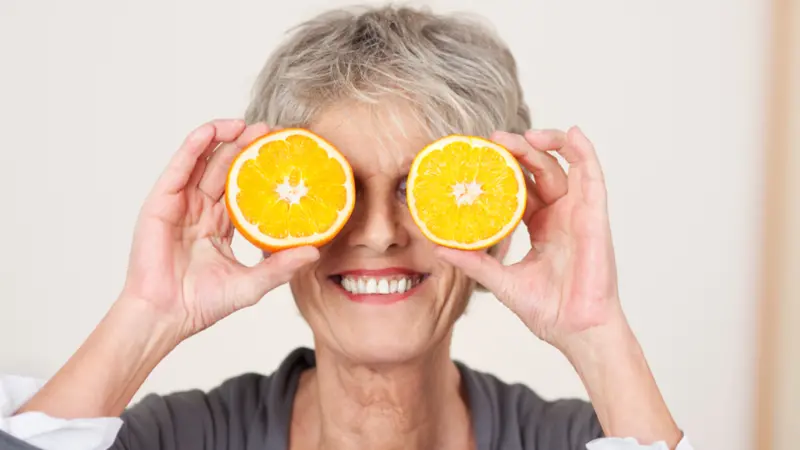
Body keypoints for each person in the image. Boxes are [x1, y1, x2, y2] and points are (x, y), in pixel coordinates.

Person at [0, 5, 693, 450]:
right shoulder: (180, 439)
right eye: (340, 191)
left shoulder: (572, 442)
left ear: (497, 216)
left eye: (418, 189)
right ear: (269, 219)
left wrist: (599, 336)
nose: (380, 232)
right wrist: (146, 316)